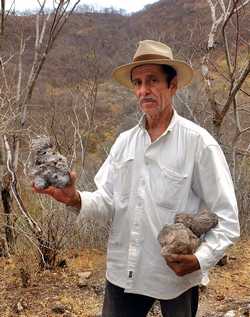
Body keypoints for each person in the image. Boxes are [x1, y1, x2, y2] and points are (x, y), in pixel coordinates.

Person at [33, 40, 240, 317]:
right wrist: (75, 198)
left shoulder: (199, 144)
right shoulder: (123, 143)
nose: (144, 90)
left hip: (175, 278)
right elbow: (107, 201)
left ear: (173, 85)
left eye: (153, 80)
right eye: (138, 82)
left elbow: (226, 219)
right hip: (123, 274)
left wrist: (199, 260)